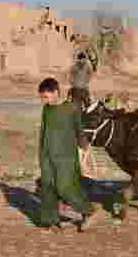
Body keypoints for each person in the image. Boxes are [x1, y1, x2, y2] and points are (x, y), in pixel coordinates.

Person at [37, 77, 103, 231]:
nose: (43, 100)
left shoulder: (71, 108)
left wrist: (84, 147)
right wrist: (41, 155)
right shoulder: (46, 109)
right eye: (41, 97)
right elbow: (43, 131)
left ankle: (88, 212)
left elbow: (79, 130)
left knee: (65, 187)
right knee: (48, 186)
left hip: (66, 157)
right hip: (47, 156)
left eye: (46, 96)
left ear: (55, 93)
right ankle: (52, 221)